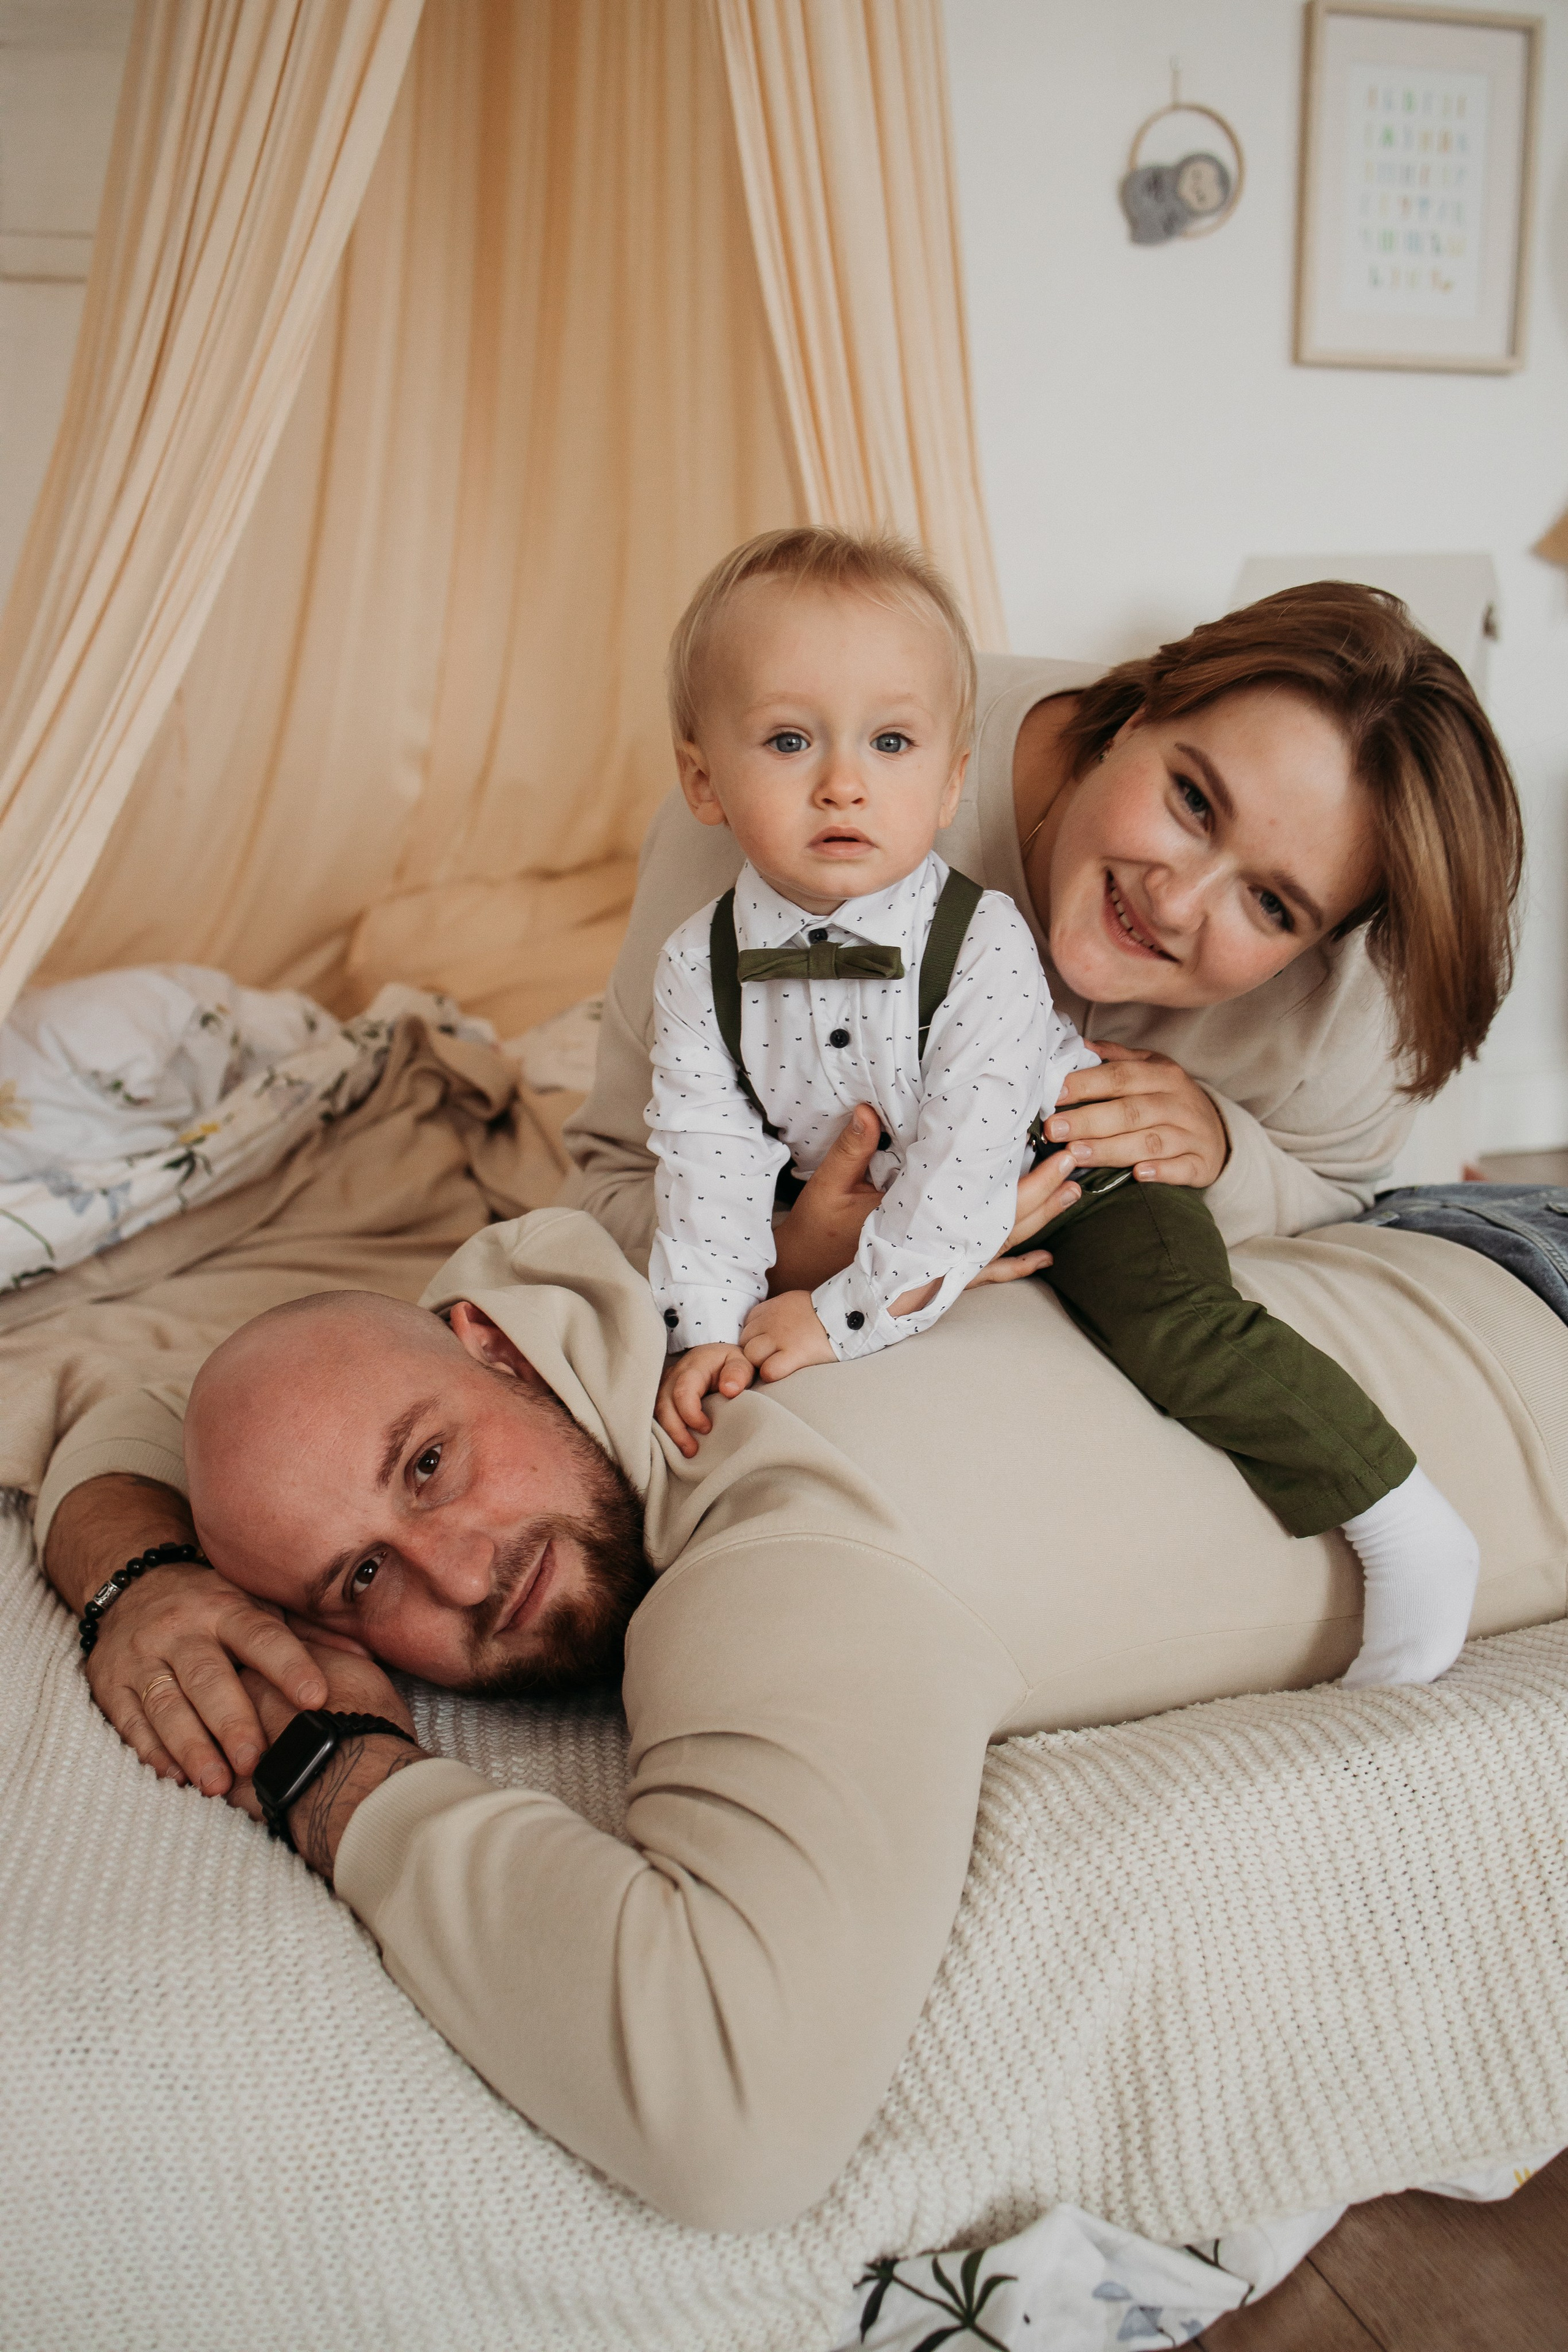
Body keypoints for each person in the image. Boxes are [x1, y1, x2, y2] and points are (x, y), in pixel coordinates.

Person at [36, 1200, 1568, 2234]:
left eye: (430, 1464)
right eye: (363, 1575)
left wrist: (333, 1766)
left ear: (485, 1348)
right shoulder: (594, 1277)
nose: (459, 1570)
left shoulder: (780, 1551)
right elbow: (166, 1398)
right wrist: (145, 1579)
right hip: (1426, 1246)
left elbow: (728, 2114)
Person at [644, 530, 1487, 1684]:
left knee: (1173, 1318)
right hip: (881, 1199)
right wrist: (725, 1307)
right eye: (1192, 800)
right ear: (1131, 709)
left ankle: (1406, 1522)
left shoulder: (986, 940)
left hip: (1051, 1162)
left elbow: (971, 1170)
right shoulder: (796, 776)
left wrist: (839, 1314)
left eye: (1274, 904)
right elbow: (696, 1142)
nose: (1178, 900)